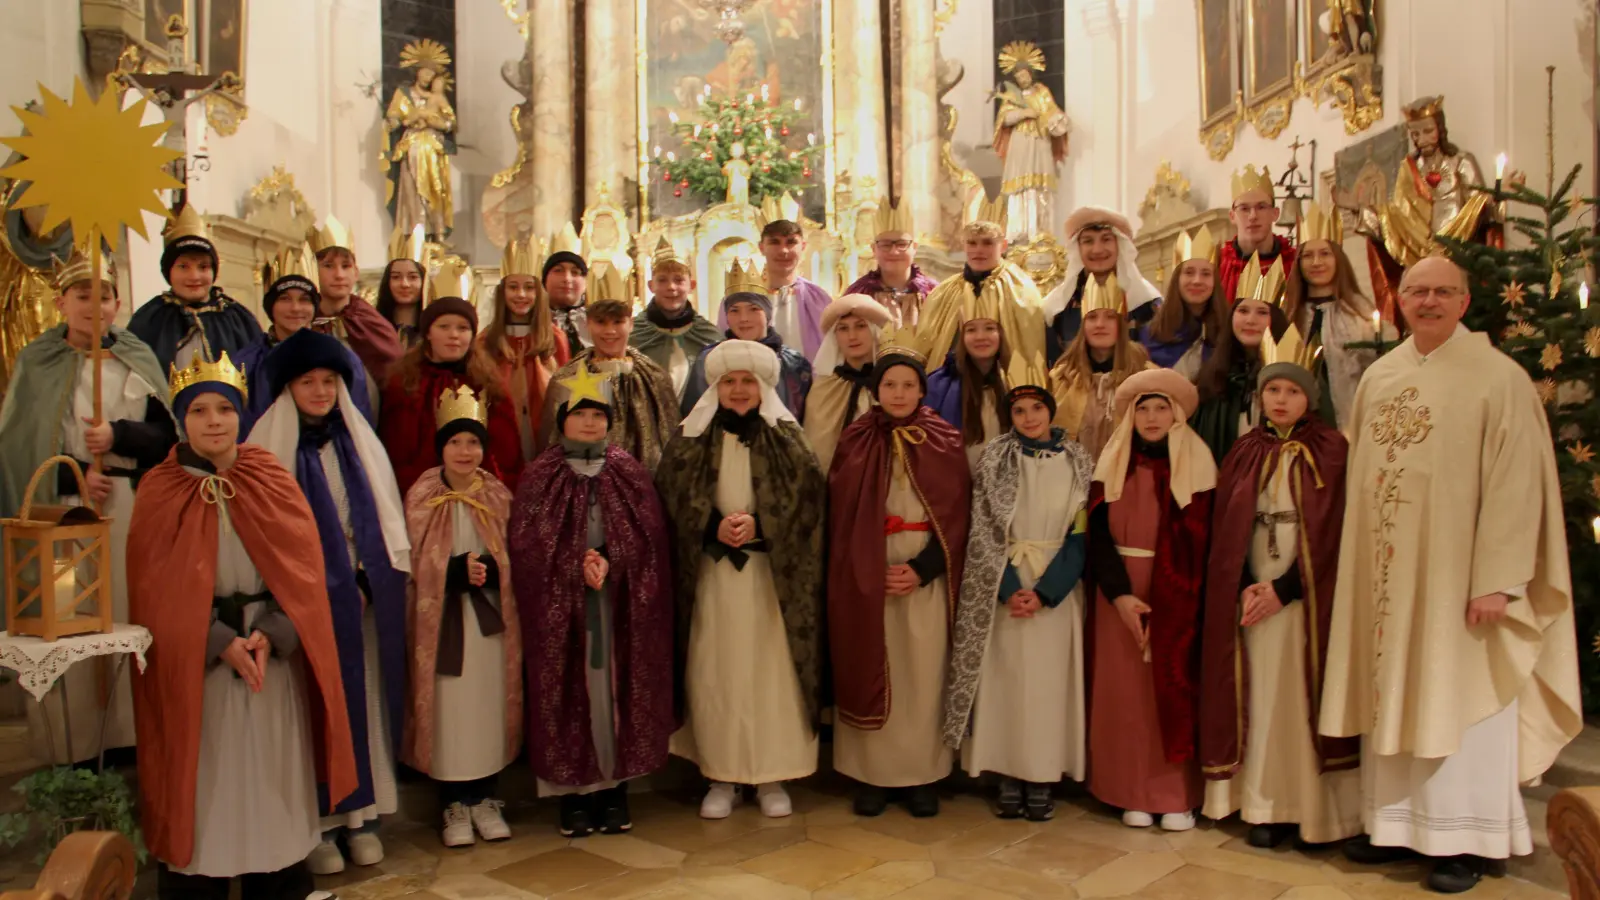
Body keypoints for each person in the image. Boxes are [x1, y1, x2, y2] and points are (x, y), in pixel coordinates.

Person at [1318, 257, 1581, 894]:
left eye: (1443, 292)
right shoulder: (1381, 376)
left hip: (1461, 582)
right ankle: (1395, 828)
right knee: (1396, 697)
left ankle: (1466, 838)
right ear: (1400, 301)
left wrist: (1499, 579)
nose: (1429, 301)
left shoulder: (1499, 378)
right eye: (1417, 291)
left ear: (1465, 302)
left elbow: (1519, 486)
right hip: (1388, 579)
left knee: (1457, 692)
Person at [127, 352, 356, 900]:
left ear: (240, 415)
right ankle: (202, 881)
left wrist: (274, 632)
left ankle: (275, 881)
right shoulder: (161, 489)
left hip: (268, 657)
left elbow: (302, 569)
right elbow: (151, 589)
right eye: (200, 410)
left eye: (224, 409)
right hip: (197, 667)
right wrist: (217, 642)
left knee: (271, 775)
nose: (213, 421)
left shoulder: (266, 474)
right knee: (208, 779)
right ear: (182, 420)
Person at [0, 249, 175, 765]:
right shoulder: (39, 362)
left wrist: (118, 433)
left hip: (129, 509)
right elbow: (16, 449)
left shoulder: (136, 355)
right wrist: (74, 471)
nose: (94, 306)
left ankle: (128, 737)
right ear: (61, 303)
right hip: (65, 512)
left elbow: (168, 436)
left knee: (127, 613)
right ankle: (76, 745)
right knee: (72, 621)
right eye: (82, 296)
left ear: (118, 303)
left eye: (104, 296)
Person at [252, 329, 412, 875]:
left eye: (329, 381)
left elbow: (380, 520)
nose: (320, 391)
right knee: (312, 709)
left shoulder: (357, 445)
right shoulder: (266, 451)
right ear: (288, 388)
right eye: (307, 382)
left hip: (357, 601)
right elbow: (262, 536)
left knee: (360, 702)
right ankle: (318, 822)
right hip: (299, 607)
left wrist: (366, 583)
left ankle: (361, 815)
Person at [1199, 326, 1361, 848]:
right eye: (1273, 390)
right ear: (1261, 396)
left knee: (1301, 697)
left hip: (1306, 599)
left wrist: (1285, 589)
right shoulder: (1244, 450)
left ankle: (1311, 812)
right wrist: (1247, 584)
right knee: (1261, 698)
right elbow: (1229, 529)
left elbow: (1335, 528)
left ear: (1308, 397)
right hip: (1253, 598)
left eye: (1292, 391)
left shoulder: (1333, 450)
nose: (1282, 400)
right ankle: (1264, 805)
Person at [657, 340, 825, 821]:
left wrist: (761, 524)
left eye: (747, 381)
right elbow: (671, 495)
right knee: (718, 671)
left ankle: (772, 772)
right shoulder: (691, 438)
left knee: (770, 673)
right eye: (728, 381)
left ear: (764, 385)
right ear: (715, 386)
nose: (737, 390)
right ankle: (722, 775)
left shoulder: (788, 439)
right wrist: (712, 525)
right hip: (713, 578)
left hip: (771, 583)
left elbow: (808, 501)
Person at [511, 367, 675, 838]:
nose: (588, 423)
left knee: (612, 692)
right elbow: (526, 543)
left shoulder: (627, 468)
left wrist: (612, 558)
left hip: (617, 602)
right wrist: (571, 564)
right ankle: (572, 795)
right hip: (563, 608)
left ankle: (613, 787)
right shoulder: (541, 474)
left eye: (597, 415)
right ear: (561, 420)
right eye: (579, 414)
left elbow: (650, 537)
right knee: (568, 688)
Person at [829, 346, 971, 818]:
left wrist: (922, 569)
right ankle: (872, 776)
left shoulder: (943, 439)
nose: (899, 392)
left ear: (922, 391)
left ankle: (922, 775)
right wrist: (869, 566)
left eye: (908, 384)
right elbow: (843, 515)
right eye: (890, 384)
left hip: (925, 571)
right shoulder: (856, 439)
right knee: (871, 662)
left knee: (922, 673)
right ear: (877, 390)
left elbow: (956, 516)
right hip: (868, 568)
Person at [945, 384, 1091, 821]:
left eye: (1037, 409)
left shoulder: (1078, 459)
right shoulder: (997, 457)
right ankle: (1007, 772)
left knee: (1047, 688)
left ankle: (1042, 774)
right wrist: (1010, 588)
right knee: (1007, 683)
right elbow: (986, 525)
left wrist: (1047, 591)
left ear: (1050, 412)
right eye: (1020, 411)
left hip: (1055, 587)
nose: (1029, 418)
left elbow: (1081, 532)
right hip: (1004, 580)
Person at [1085, 369, 1216, 832]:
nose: (1152, 417)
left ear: (1177, 414)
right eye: (1143, 408)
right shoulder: (1113, 463)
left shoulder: (1197, 467)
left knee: (1171, 693)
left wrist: (1173, 598)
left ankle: (1175, 795)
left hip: (1177, 594)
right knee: (1124, 699)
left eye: (1162, 407)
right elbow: (1096, 537)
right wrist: (1121, 596)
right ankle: (1127, 790)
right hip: (1118, 596)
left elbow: (1203, 541)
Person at [401, 385, 522, 848]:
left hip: (488, 625)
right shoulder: (422, 495)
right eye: (455, 442)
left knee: (485, 706)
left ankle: (486, 798)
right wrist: (449, 571)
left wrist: (491, 569)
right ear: (442, 447)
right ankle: (453, 803)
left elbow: (514, 553)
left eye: (473, 442)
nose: (465, 451)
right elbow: (410, 557)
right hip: (442, 625)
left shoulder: (496, 495)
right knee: (449, 707)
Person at [380, 295, 522, 495]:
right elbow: (397, 451)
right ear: (428, 332)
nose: (454, 335)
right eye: (444, 327)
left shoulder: (488, 384)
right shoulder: (404, 384)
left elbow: (507, 453)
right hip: (422, 498)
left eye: (462, 328)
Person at [1281, 202, 1388, 428]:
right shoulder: (1289, 314)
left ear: (1338, 259)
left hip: (1352, 420)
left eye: (1324, 254)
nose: (1316, 262)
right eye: (1308, 255)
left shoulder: (1361, 312)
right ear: (1298, 263)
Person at [542, 298, 678, 472]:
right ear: (588, 324)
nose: (610, 331)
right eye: (600, 322)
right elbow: (552, 438)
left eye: (618, 322)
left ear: (631, 324)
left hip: (643, 479)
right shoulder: (567, 377)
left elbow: (670, 434)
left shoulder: (654, 376)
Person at [127, 203, 262, 372]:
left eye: (203, 267)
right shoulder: (148, 320)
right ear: (169, 272)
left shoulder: (239, 320)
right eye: (183, 267)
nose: (194, 276)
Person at [235, 273, 372, 435]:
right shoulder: (248, 361)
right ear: (271, 307)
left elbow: (359, 413)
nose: (295, 308)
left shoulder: (339, 356)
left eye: (304, 300)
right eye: (285, 299)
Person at [920, 220, 1047, 387]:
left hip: (1004, 387)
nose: (978, 250)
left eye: (987, 243)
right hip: (955, 386)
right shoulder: (944, 291)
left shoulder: (1021, 289)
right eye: (972, 243)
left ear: (1003, 245)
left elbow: (1030, 348)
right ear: (963, 245)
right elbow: (927, 344)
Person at [681, 261, 813, 421]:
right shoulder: (709, 359)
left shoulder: (794, 363)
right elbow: (694, 416)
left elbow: (806, 419)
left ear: (767, 314)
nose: (744, 319)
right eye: (734, 311)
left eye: (753, 309)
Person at [480, 235, 571, 463]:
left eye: (529, 288)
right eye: (513, 287)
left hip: (544, 435)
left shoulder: (554, 338)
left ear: (538, 293)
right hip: (500, 439)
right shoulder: (486, 341)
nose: (521, 295)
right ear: (502, 292)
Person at [1191, 255, 1289, 464]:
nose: (1250, 320)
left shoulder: (1290, 376)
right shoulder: (1213, 376)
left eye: (1262, 312)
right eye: (1243, 310)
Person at [1047, 275, 1157, 461]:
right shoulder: (1060, 377)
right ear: (1083, 325)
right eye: (1092, 317)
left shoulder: (1146, 375)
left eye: (1110, 317)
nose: (1099, 324)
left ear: (1121, 324)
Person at [1040, 207, 1161, 363]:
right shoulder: (1057, 308)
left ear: (1119, 244)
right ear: (1078, 248)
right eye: (1088, 241)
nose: (1097, 250)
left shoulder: (1146, 303)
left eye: (1106, 239)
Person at [308, 215, 404, 410]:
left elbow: (395, 380)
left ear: (356, 273)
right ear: (312, 270)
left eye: (346, 266)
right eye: (328, 266)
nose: (339, 275)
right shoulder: (304, 320)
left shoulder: (369, 322)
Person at [717, 220, 830, 360]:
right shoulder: (738, 297)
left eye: (791, 242)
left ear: (803, 246)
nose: (783, 250)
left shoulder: (818, 298)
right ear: (761, 247)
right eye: (775, 242)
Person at [992, 41, 1070, 242]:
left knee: (1039, 186)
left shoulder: (1041, 92)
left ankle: (1042, 230)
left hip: (1039, 141)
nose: (1022, 79)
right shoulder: (1011, 96)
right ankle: (1018, 232)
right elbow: (1005, 118)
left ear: (1031, 74)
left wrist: (1057, 120)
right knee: (1019, 187)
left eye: (1024, 75)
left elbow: (1052, 113)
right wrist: (1023, 112)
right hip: (1019, 144)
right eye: (1018, 76)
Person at [804, 294, 892, 471]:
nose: (852, 336)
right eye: (843, 329)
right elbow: (818, 449)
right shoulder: (825, 387)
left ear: (875, 331)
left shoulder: (891, 383)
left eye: (860, 326)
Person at [630, 237, 720, 399]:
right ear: (651, 286)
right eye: (662, 280)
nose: (671, 287)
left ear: (691, 285)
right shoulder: (632, 334)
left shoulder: (710, 336)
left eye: (678, 280)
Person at [1138, 227, 1229, 380]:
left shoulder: (1227, 331)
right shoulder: (1151, 334)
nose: (1197, 281)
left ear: (1215, 281)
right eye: (1189, 272)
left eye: (1206, 274)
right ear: (1177, 279)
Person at [844, 200, 939, 329]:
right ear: (874, 249)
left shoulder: (934, 292)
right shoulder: (858, 294)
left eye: (901, 244)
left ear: (914, 247)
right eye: (885, 245)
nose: (894, 251)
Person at [1218, 166, 1297, 302]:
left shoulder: (1296, 263)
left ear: (1275, 213)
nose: (1253, 216)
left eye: (1261, 207)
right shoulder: (1218, 265)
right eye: (1244, 208)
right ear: (1232, 216)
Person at [375, 224, 430, 350]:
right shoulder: (373, 328)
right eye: (396, 277)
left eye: (412, 277)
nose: (404, 284)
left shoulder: (433, 330)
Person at [545, 226, 591, 352]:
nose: (567, 279)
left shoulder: (597, 320)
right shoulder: (532, 319)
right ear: (544, 280)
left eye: (575, 272)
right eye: (558, 270)